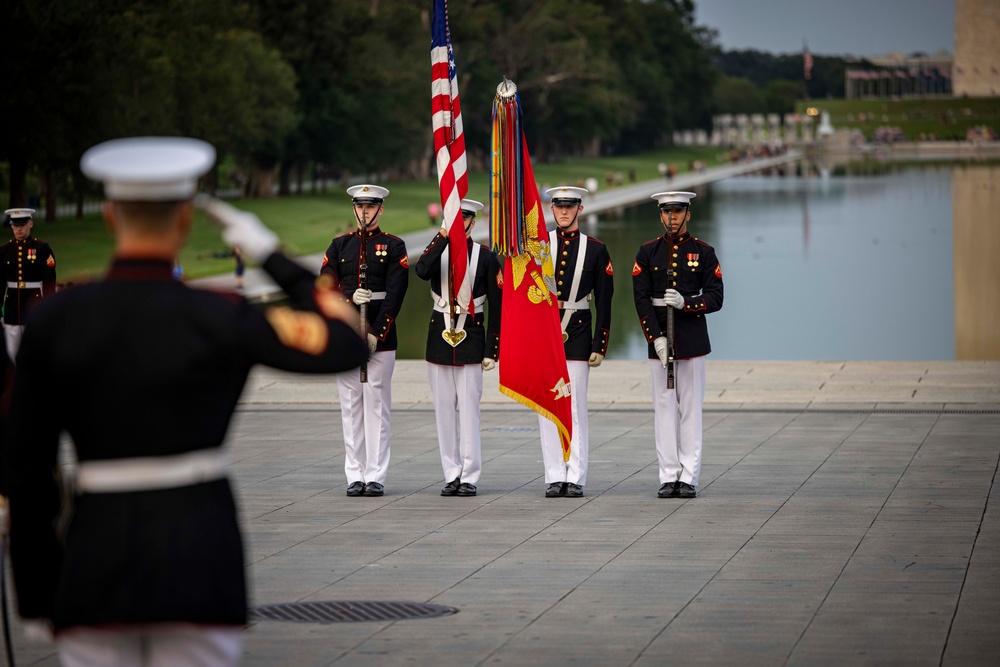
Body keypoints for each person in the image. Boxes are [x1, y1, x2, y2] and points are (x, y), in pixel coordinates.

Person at [3, 136, 367, 667]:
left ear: (109, 217)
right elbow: (346, 344)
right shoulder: (220, 314)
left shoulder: (57, 320)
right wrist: (271, 256)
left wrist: (36, 591)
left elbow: (26, 467)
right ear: (183, 222)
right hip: (198, 552)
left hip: (94, 559)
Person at [632, 191, 723, 499]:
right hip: (659, 339)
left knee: (690, 410)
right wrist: (655, 338)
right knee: (664, 408)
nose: (671, 217)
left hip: (692, 339)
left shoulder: (704, 251)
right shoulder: (647, 252)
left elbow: (716, 297)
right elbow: (641, 299)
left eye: (677, 211)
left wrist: (689, 302)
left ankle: (689, 476)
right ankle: (669, 474)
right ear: (660, 215)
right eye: (666, 212)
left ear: (688, 214)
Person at [321, 184, 409, 497]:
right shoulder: (338, 246)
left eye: (371, 207)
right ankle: (354, 474)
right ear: (354, 208)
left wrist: (376, 333)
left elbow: (396, 294)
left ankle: (375, 475)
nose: (365, 212)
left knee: (376, 406)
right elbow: (324, 288)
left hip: (379, 338)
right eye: (360, 206)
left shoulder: (394, 246)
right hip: (346, 335)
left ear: (380, 209)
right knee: (350, 407)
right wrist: (347, 298)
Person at [415, 198, 501, 497]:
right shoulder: (437, 250)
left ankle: (470, 474)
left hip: (472, 336)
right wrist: (440, 236)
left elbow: (497, 307)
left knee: (469, 410)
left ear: (471, 223)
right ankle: (451, 472)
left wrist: (493, 349)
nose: (456, 223)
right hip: (440, 334)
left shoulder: (486, 257)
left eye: (462, 219)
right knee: (443, 411)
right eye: (451, 217)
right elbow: (421, 271)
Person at [537, 186, 614, 498]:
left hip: (579, 334)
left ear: (580, 208)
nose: (564, 212)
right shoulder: (540, 248)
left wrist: (600, 344)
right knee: (547, 408)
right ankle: (555, 474)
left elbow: (605, 302)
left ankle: (576, 475)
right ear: (552, 209)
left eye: (570, 206)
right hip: (545, 335)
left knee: (576, 408)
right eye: (559, 206)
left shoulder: (596, 249)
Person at [1, 207, 56, 362]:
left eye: (22, 224)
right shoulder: (4, 251)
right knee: (11, 351)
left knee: (34, 351)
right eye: (15, 225)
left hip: (34, 304)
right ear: (11, 225)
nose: (18, 228)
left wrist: (49, 308)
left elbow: (49, 282)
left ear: (30, 224)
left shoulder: (41, 249)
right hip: (12, 308)